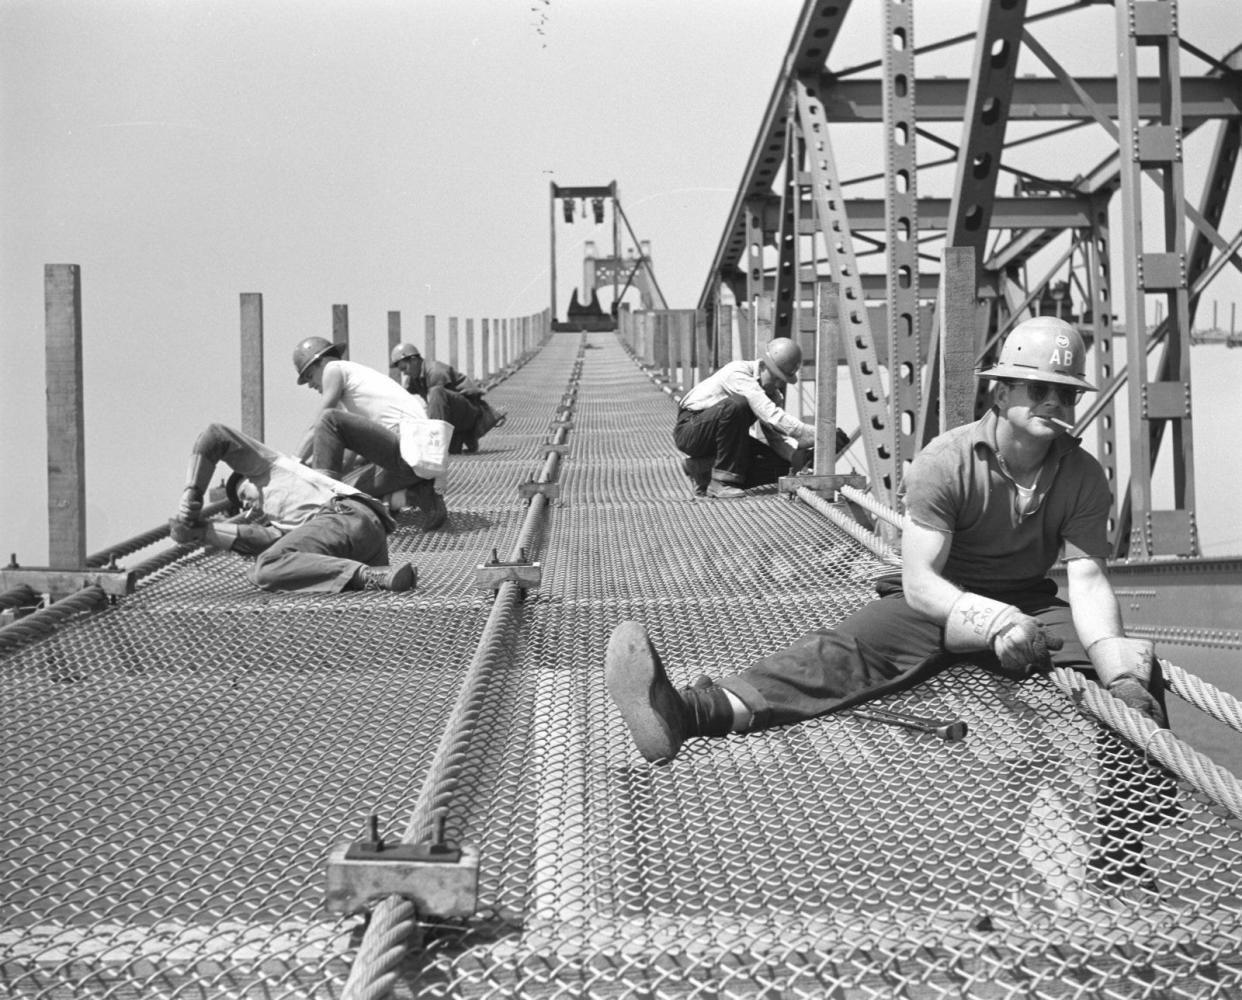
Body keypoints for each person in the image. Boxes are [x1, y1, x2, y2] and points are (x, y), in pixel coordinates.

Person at [607, 315, 1175, 887]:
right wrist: (992, 621)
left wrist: (1115, 668)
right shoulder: (944, 461)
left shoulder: (1082, 475)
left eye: (1067, 392)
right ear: (1001, 392)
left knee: (1132, 674)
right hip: (936, 597)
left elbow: (1088, 581)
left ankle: (1124, 850)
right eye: (1039, 388)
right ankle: (685, 712)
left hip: (1030, 601)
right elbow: (922, 580)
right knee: (841, 656)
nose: (1055, 401)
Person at [170, 423, 417, 593]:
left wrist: (192, 493)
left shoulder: (269, 468)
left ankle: (367, 576)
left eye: (244, 493)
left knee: (265, 569)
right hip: (367, 534)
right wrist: (200, 532)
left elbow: (215, 436)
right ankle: (381, 575)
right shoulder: (283, 522)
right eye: (242, 503)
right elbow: (261, 540)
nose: (245, 503)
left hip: (342, 515)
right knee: (281, 564)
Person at [292, 337, 448, 530]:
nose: (310, 385)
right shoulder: (357, 395)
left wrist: (294, 465)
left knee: (327, 419)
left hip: (408, 446)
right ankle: (419, 494)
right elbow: (347, 460)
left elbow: (319, 424)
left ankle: (322, 508)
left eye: (309, 376)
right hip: (420, 458)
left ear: (322, 361)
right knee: (345, 494)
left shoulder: (334, 369)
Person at [674, 337, 818, 498]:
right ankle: (722, 482)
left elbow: (776, 439)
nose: (777, 384)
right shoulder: (738, 372)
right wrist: (819, 435)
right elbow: (770, 414)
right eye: (775, 377)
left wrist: (800, 459)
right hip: (691, 431)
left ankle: (703, 470)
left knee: (781, 466)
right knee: (738, 404)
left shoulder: (773, 395)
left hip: (725, 440)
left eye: (781, 380)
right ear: (763, 365)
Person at [390, 342, 507, 454]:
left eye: (404, 368)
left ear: (414, 360)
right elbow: (401, 396)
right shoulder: (414, 377)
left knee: (436, 392)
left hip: (470, 415)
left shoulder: (435, 371)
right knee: (451, 452)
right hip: (456, 420)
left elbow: (438, 405)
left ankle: (435, 443)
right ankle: (460, 437)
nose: (404, 373)